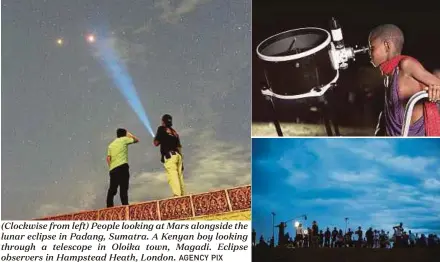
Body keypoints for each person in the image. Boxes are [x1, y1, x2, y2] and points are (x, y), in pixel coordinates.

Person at [368, 24, 440, 136]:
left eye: (372, 48)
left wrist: (435, 90)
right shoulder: (389, 74)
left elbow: (438, 84)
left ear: (387, 46)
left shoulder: (406, 64)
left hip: (419, 140)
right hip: (399, 140)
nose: (369, 53)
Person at [106, 128, 139, 207]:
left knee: (112, 189)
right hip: (122, 167)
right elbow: (136, 140)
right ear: (124, 134)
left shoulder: (111, 145)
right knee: (123, 187)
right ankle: (125, 206)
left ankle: (109, 207)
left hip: (113, 169)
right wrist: (129, 134)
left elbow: (108, 158)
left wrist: (111, 167)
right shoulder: (124, 139)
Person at [154, 114, 185, 197]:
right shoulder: (175, 133)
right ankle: (183, 196)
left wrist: (157, 137)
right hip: (178, 156)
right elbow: (179, 146)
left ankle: (177, 196)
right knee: (179, 176)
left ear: (163, 121)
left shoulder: (161, 129)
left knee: (173, 175)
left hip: (170, 156)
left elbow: (156, 143)